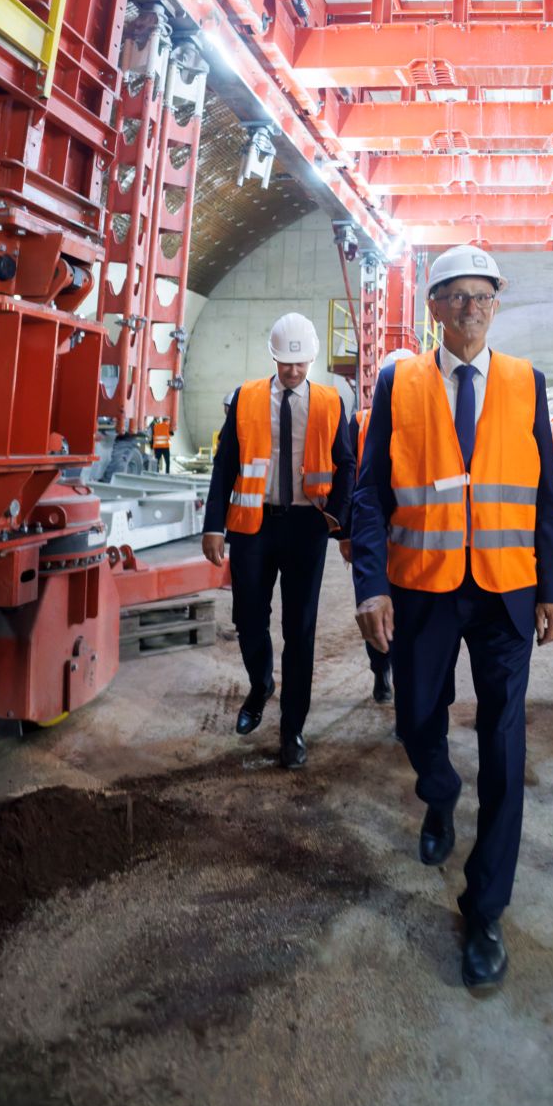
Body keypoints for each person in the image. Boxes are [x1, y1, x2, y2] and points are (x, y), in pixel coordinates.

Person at [350, 244, 553, 992]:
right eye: (455, 296)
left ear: (495, 305)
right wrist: (369, 584)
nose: (470, 308)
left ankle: (486, 908)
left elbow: (543, 498)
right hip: (424, 586)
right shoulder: (397, 381)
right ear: (433, 307)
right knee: (416, 720)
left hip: (506, 590)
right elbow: (369, 493)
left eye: (483, 296)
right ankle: (438, 793)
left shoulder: (525, 383)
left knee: (505, 750)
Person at [203, 312, 355, 770]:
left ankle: (293, 729)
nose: (292, 372)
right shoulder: (246, 398)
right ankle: (260, 683)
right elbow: (224, 464)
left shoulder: (330, 402)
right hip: (253, 524)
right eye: (285, 363)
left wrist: (340, 521)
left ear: (311, 359)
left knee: (300, 629)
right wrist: (213, 526)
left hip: (307, 526)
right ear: (272, 356)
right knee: (248, 616)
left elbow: (346, 464)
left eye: (301, 364)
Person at [349, 347, 415, 707]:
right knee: (375, 609)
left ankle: (406, 689)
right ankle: (380, 671)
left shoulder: (430, 421)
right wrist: (347, 535)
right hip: (375, 538)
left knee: (410, 620)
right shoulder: (360, 423)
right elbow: (354, 486)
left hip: (414, 541)